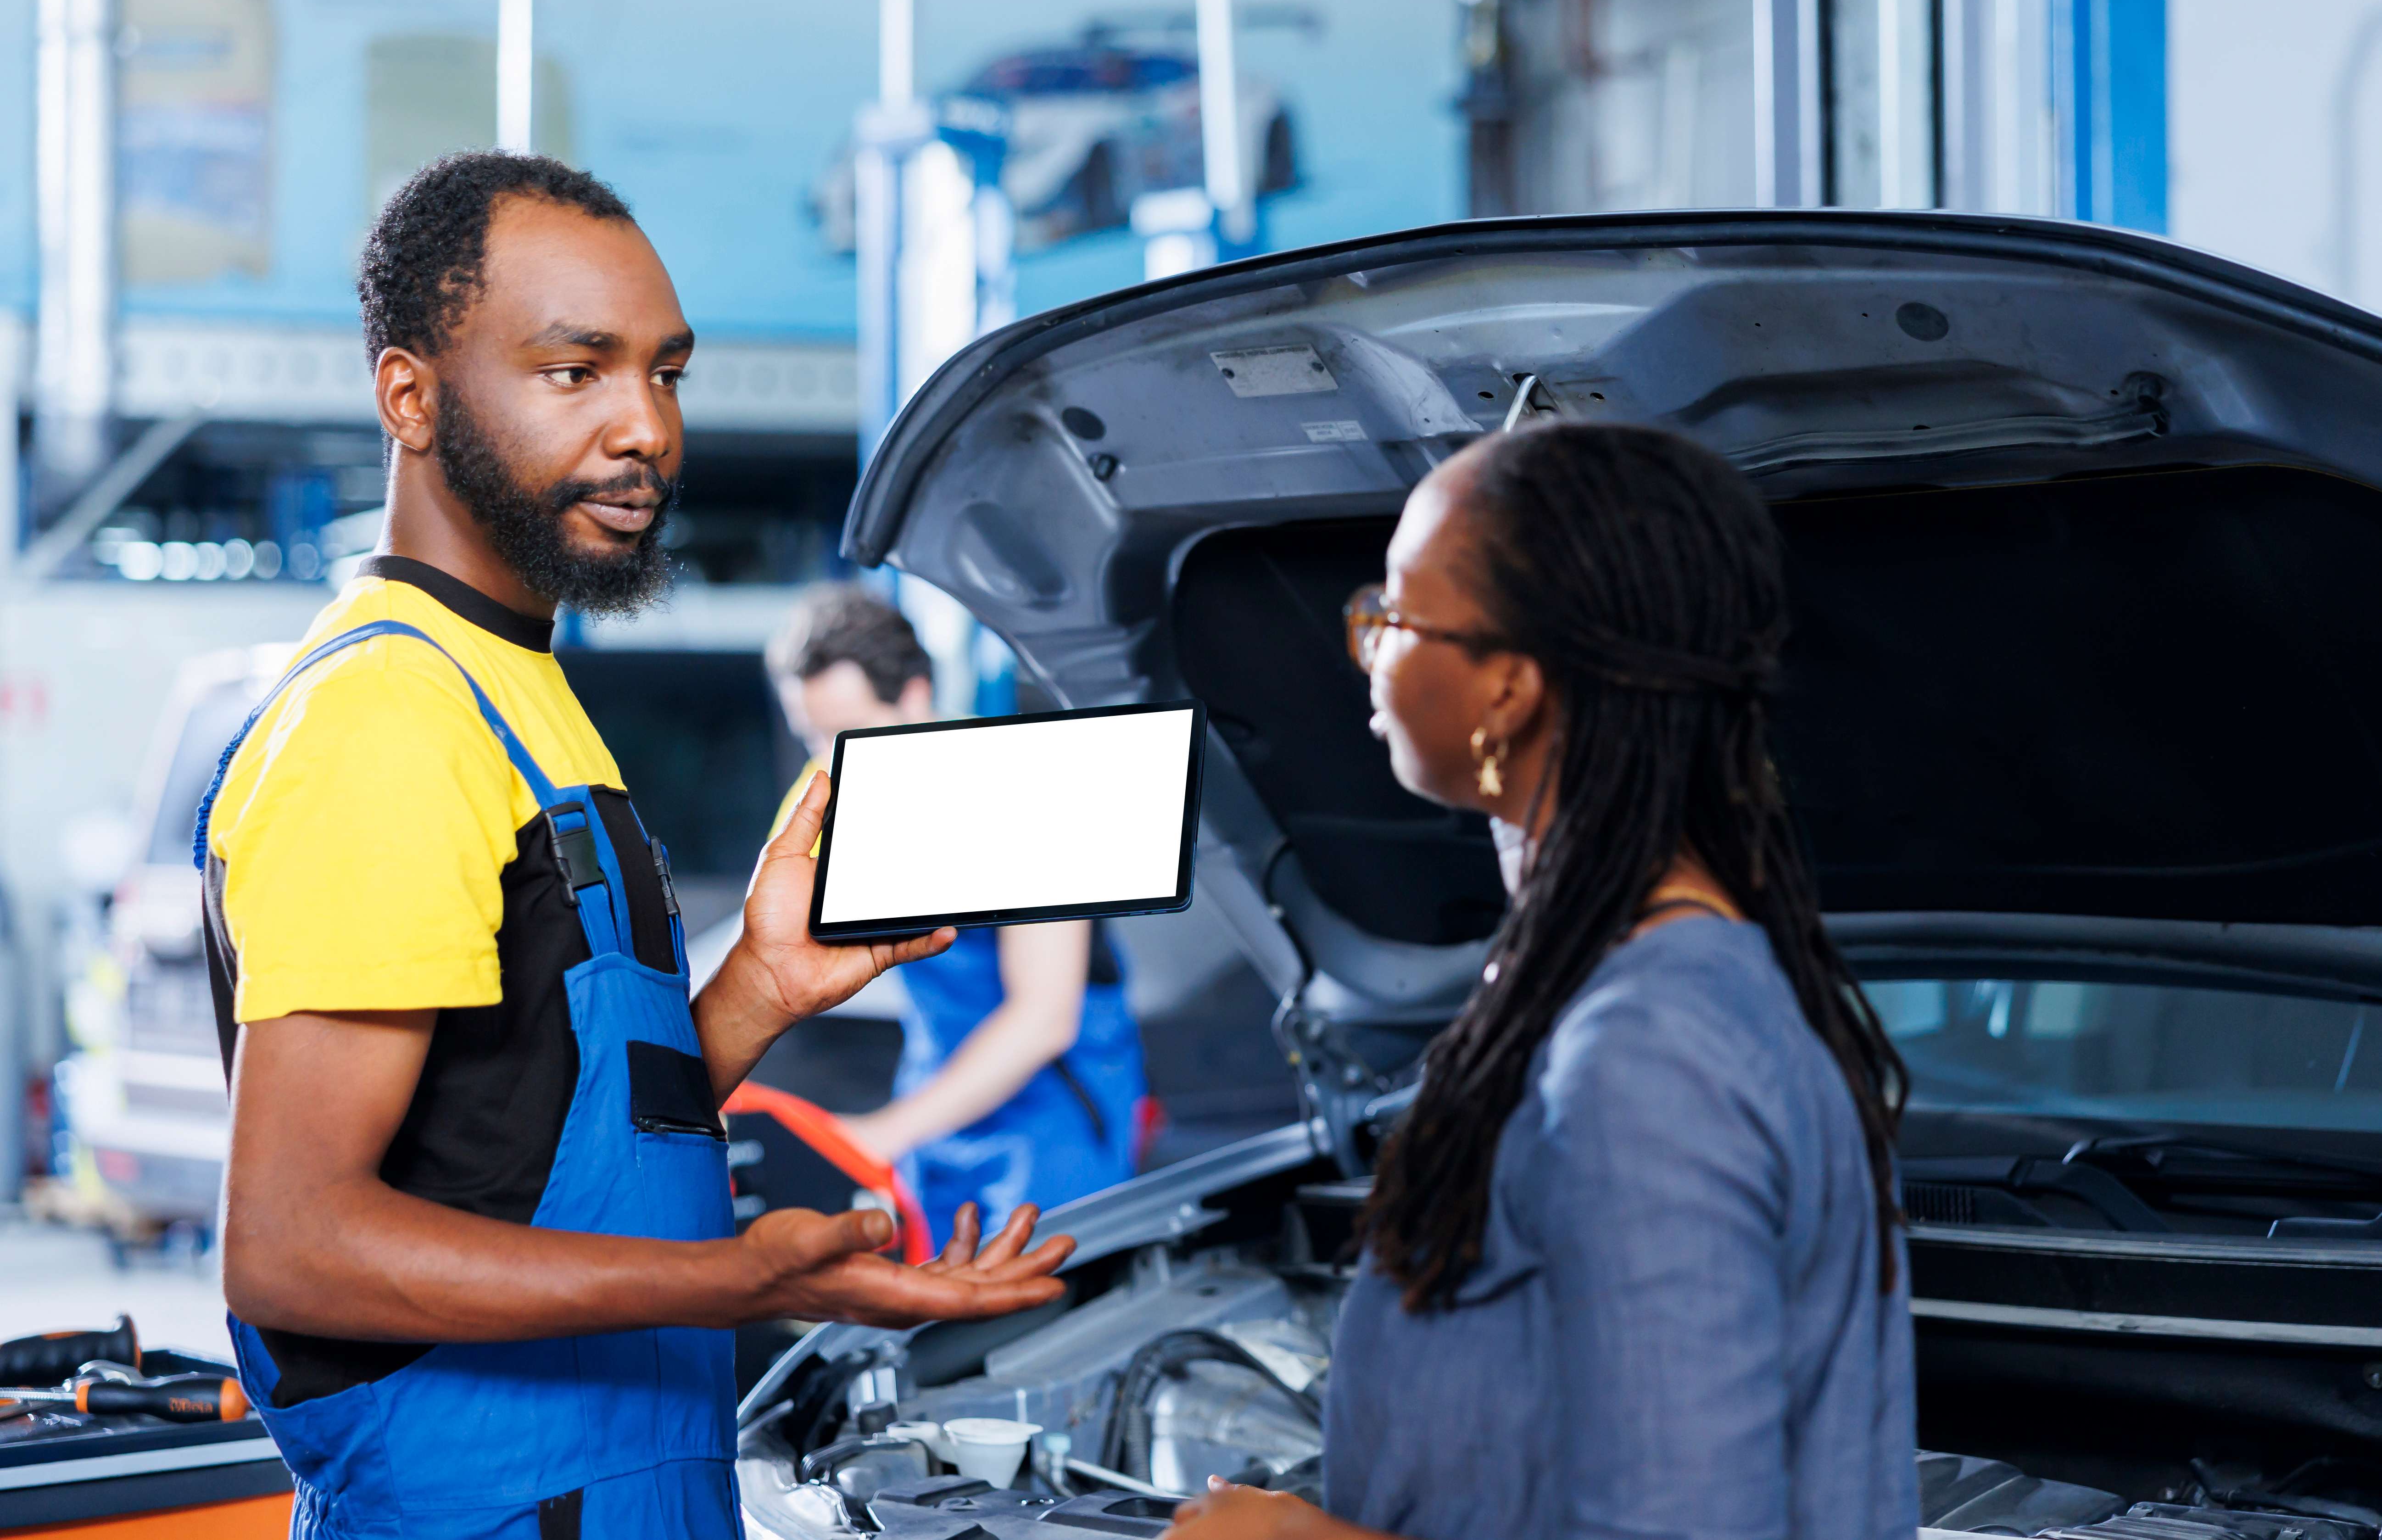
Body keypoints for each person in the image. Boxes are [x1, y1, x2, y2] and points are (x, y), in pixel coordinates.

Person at [203, 151, 1071, 1540]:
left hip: (620, 1485)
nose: (648, 427)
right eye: (577, 371)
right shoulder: (387, 719)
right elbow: (294, 1247)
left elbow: (514, 1137)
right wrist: (738, 1276)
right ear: (409, 395)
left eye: (666, 372)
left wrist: (758, 992)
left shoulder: (520, 694)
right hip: (490, 1507)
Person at [1165, 422, 1918, 1540]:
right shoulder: (1624, 980)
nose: (1366, 646)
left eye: (1399, 615)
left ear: (1509, 689)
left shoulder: (1649, 1052)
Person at [764, 585, 1149, 1247]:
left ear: (915, 697)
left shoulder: (1031, 795)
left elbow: (1043, 1020)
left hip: (1050, 1123)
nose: (827, 760)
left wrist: (886, 1129)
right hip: (935, 1105)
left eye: (843, 733)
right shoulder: (832, 797)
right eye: (811, 734)